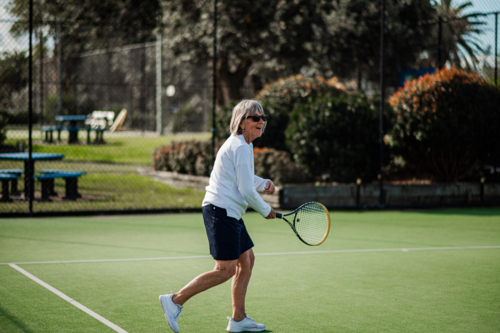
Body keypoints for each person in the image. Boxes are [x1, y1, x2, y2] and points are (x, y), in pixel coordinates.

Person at [159, 99, 277, 333]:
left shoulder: (243, 144)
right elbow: (244, 190)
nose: (261, 122)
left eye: (263, 118)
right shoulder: (241, 146)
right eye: (255, 118)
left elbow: (243, 179)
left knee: (247, 260)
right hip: (220, 211)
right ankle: (174, 301)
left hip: (229, 212)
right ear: (242, 122)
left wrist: (263, 183)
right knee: (225, 270)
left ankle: (238, 318)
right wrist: (266, 210)